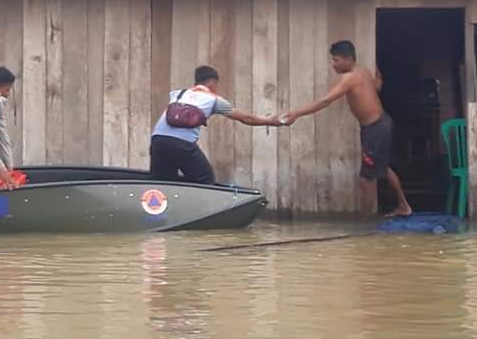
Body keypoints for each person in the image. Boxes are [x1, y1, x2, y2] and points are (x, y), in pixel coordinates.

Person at [282, 40, 412, 219]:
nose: (333, 64)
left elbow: (325, 101)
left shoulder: (349, 78)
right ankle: (403, 205)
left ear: (349, 59)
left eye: (336, 60)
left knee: (366, 180)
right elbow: (378, 86)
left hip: (375, 128)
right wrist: (379, 74)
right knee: (383, 167)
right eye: (332, 60)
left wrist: (296, 113)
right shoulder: (363, 72)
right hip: (380, 124)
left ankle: (366, 222)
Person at [150, 65, 283, 184]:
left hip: (157, 140)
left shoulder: (177, 94)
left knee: (163, 183)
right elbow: (246, 118)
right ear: (212, 83)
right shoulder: (213, 99)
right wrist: (270, 121)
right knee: (205, 180)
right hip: (182, 144)